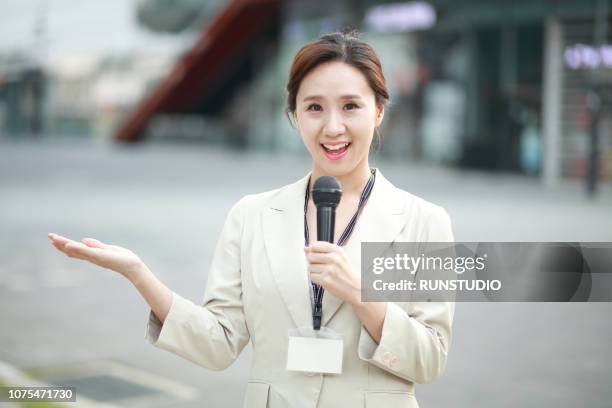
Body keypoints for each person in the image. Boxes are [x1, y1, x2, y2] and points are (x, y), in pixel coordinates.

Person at [48, 30, 455, 408]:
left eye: (351, 106)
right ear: (295, 115)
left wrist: (361, 294)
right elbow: (218, 343)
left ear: (379, 111)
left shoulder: (424, 222)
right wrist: (139, 274)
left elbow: (430, 360)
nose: (333, 127)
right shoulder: (252, 216)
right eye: (314, 107)